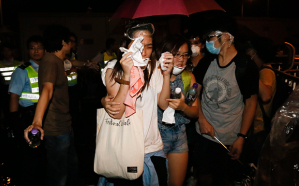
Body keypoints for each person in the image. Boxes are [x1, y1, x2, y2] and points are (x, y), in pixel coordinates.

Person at [99, 22, 171, 186]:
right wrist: (126, 75)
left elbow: (164, 105)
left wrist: (166, 76)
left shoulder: (154, 68)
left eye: (149, 46)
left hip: (152, 148)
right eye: (139, 46)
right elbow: (117, 113)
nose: (144, 52)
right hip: (124, 148)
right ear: (127, 45)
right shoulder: (112, 69)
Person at [192, 15, 259, 185]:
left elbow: (251, 103)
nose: (207, 41)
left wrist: (241, 137)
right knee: (204, 178)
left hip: (230, 138)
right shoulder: (205, 63)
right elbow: (193, 92)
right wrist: (201, 118)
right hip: (203, 135)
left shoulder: (245, 66)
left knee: (225, 181)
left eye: (211, 37)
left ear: (227, 36)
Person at [23, 25, 81, 186]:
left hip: (64, 124)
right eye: (70, 41)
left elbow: (72, 62)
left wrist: (88, 64)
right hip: (55, 129)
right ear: (63, 42)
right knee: (58, 174)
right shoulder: (50, 62)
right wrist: (36, 122)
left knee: (71, 166)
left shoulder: (57, 60)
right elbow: (47, 90)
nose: (72, 45)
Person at [156, 34, 199, 186]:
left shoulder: (189, 77)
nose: (181, 59)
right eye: (176, 55)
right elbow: (163, 105)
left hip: (180, 135)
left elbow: (195, 112)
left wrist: (183, 107)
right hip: (157, 135)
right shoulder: (156, 74)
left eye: (185, 55)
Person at [8, 35, 46, 185]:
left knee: (44, 153)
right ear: (28, 51)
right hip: (28, 115)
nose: (36, 51)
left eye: (39, 47)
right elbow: (13, 97)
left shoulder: (48, 68)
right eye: (32, 48)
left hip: (45, 115)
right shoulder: (22, 71)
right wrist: (14, 121)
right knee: (31, 154)